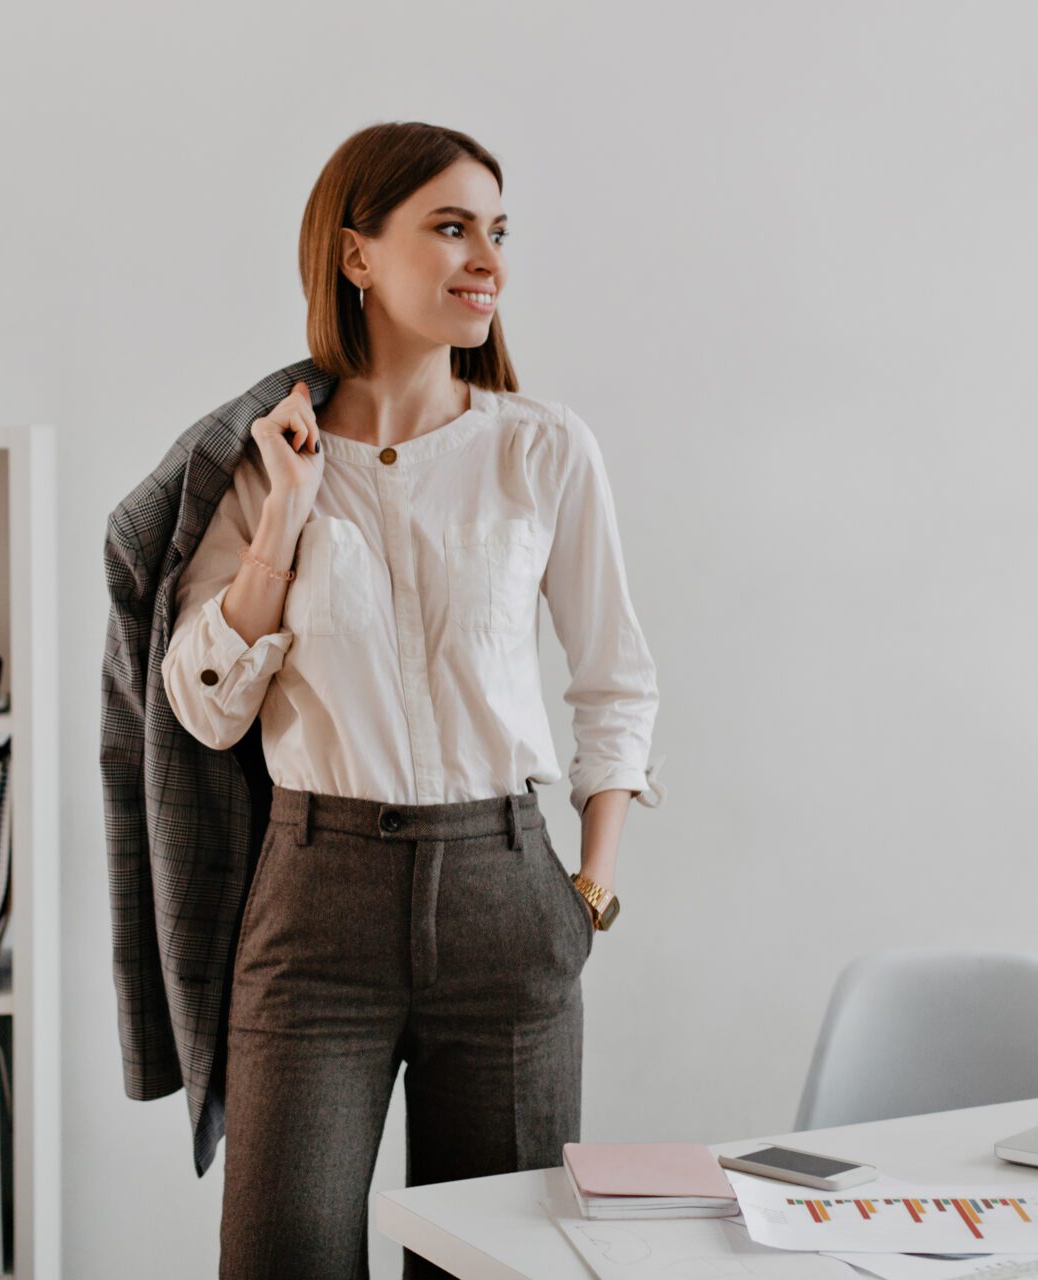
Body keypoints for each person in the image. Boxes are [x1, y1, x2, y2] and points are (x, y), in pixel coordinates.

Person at [159, 121, 664, 1279]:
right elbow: (203, 709)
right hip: (314, 908)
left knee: (493, 1267)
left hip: (507, 897)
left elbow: (615, 675)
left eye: (497, 230)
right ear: (356, 256)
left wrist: (589, 886)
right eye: (449, 227)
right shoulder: (256, 461)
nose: (485, 256)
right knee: (282, 1256)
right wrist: (284, 516)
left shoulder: (540, 449)